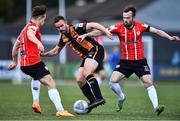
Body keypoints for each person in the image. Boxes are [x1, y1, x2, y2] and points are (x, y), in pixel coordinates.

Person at [78, 5, 180, 115]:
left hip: (140, 61)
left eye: (128, 17)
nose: (125, 20)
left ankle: (156, 107)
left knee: (148, 82)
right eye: (124, 17)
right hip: (125, 62)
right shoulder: (118, 27)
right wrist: (86, 34)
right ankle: (121, 97)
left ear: (133, 17)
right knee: (112, 82)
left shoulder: (141, 26)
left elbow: (157, 31)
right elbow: (101, 32)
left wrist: (170, 37)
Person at [8, 5, 74, 117]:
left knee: (36, 77)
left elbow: (15, 46)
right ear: (39, 18)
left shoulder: (24, 29)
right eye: (44, 19)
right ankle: (61, 110)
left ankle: (36, 103)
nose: (44, 22)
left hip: (24, 65)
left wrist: (15, 61)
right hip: (33, 62)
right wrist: (38, 43)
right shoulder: (32, 27)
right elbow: (30, 34)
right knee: (50, 82)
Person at [41, 16, 113, 113]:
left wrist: (106, 31)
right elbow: (55, 51)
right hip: (87, 56)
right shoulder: (63, 38)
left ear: (66, 22)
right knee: (79, 79)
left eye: (62, 26)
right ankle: (92, 102)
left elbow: (94, 25)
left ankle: (99, 98)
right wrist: (45, 54)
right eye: (58, 28)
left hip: (95, 49)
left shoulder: (76, 28)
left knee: (87, 72)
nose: (60, 29)